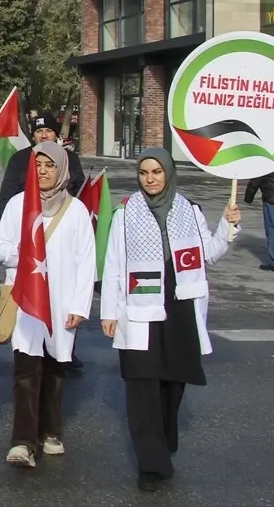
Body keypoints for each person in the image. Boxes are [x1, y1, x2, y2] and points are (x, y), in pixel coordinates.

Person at [100, 148, 241, 493]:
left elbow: (209, 253)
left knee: (173, 383)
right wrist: (108, 311)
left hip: (180, 305)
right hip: (138, 308)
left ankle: (162, 441)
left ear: (168, 173)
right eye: (144, 172)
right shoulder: (125, 212)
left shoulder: (189, 209)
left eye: (157, 172)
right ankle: (151, 463)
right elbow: (114, 264)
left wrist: (229, 224)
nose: (150, 179)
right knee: (142, 384)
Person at [0, 142, 95, 469]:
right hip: (26, 301)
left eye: (50, 165)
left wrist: (80, 304)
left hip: (61, 302)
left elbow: (86, 260)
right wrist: (23, 253)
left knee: (53, 368)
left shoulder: (76, 211)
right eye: (38, 165)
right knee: (26, 369)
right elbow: (0, 247)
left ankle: (50, 432)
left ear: (61, 168)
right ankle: (23, 441)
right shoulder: (18, 205)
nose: (43, 171)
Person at [0, 113, 86, 218]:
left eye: (49, 131)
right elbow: (7, 196)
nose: (44, 135)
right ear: (33, 136)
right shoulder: (18, 159)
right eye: (39, 131)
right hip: (28, 219)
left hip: (64, 219)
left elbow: (81, 192)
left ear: (56, 135)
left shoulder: (70, 158)